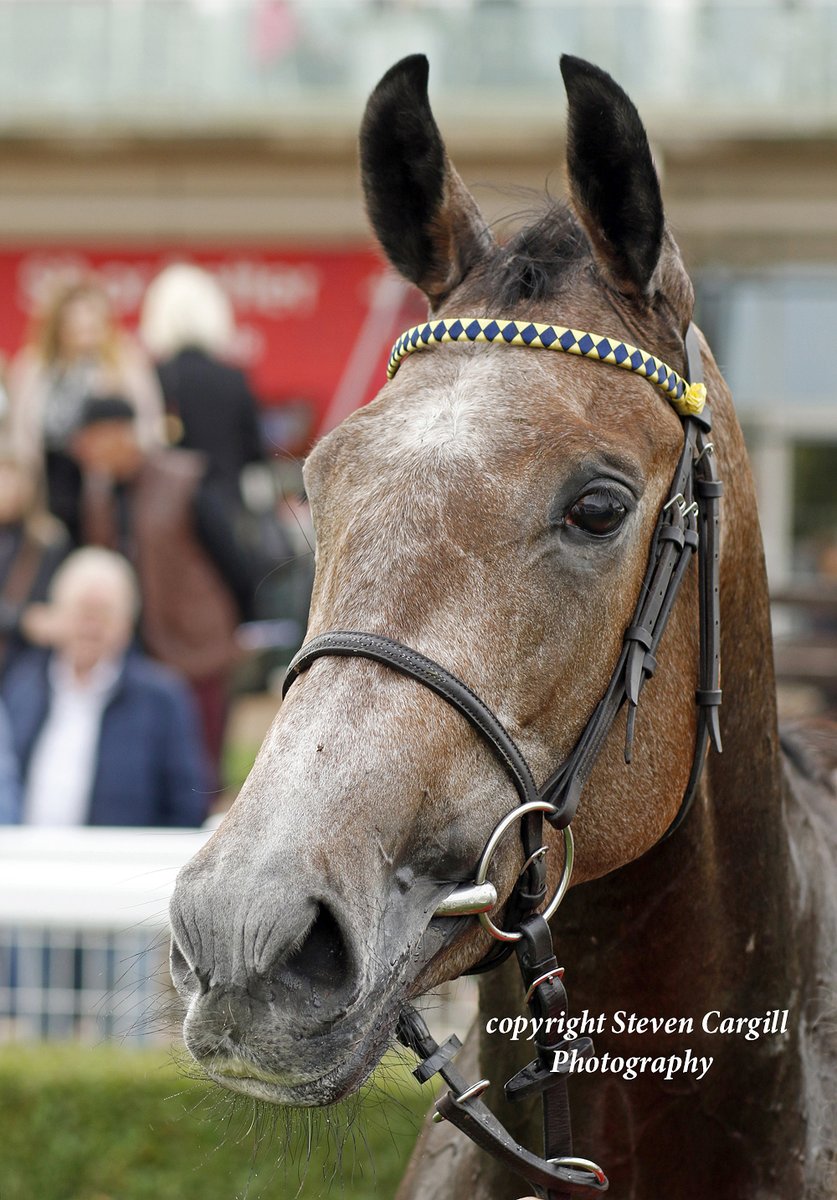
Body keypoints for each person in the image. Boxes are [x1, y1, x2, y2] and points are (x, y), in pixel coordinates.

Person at [69, 396, 255, 772]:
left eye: (95, 440)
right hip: (137, 650)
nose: (87, 453)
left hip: (195, 645)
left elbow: (234, 560)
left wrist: (241, 624)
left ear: (123, 434)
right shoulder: (99, 493)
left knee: (200, 764)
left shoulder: (187, 478)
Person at [0, 547, 209, 827]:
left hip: (121, 863)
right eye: (82, 611)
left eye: (104, 613)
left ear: (126, 623)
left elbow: (188, 805)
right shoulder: (22, 686)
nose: (91, 626)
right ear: (57, 615)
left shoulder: (161, 698)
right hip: (28, 860)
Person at [6, 278, 164, 541]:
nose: (84, 331)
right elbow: (20, 440)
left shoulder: (126, 364)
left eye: (91, 323)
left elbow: (149, 428)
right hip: (52, 490)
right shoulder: (34, 369)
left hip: (112, 494)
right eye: (75, 324)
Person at [140, 263, 265, 510]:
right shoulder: (234, 379)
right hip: (227, 504)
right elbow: (254, 451)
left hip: (171, 510)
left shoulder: (152, 378)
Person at [0, 440, 70, 676]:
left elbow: (49, 614)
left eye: (12, 477)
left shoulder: (49, 541)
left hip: (27, 663)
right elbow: (31, 618)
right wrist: (21, 620)